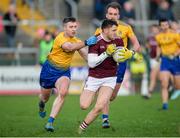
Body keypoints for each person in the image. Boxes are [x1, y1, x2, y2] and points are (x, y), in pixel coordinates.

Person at [38, 17, 97, 132]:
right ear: (65, 28)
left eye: (75, 27)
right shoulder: (60, 38)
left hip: (63, 72)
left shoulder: (76, 41)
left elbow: (86, 56)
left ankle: (50, 122)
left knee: (63, 92)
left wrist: (97, 61)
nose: (74, 29)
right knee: (45, 98)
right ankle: (41, 104)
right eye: (71, 27)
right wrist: (85, 42)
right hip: (49, 70)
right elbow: (69, 47)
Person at [78, 19, 133, 133]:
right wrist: (106, 53)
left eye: (116, 30)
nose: (116, 33)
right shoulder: (95, 41)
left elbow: (120, 56)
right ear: (105, 30)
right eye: (113, 30)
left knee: (99, 107)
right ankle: (91, 91)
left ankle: (80, 129)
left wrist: (130, 54)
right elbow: (91, 63)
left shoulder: (118, 40)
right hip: (94, 77)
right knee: (84, 105)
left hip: (110, 78)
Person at [94, 2, 141, 128]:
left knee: (112, 96)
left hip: (120, 64)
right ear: (106, 14)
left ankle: (101, 100)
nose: (112, 16)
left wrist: (131, 52)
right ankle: (105, 119)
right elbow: (93, 46)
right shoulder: (100, 29)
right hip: (105, 64)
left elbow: (137, 45)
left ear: (119, 15)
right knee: (105, 93)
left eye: (115, 14)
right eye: (110, 14)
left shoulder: (126, 27)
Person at [155, 19, 180, 109]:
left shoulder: (175, 34)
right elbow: (159, 46)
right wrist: (158, 55)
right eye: (163, 25)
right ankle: (165, 104)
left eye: (166, 25)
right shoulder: (158, 36)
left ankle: (174, 89)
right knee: (164, 83)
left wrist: (175, 55)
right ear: (160, 26)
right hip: (165, 60)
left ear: (168, 25)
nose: (165, 26)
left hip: (175, 61)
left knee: (178, 86)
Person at [146, 24, 160, 98]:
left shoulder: (160, 37)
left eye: (155, 29)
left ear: (158, 29)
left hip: (159, 59)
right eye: (153, 29)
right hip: (152, 59)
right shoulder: (150, 37)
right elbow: (148, 46)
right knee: (160, 77)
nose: (154, 31)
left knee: (153, 75)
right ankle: (171, 87)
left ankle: (149, 93)